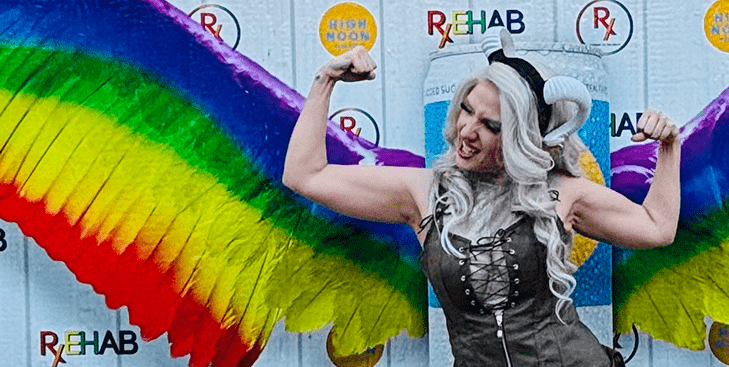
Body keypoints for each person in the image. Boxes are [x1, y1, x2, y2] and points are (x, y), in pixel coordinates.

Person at [283, 38, 683, 366]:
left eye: (490, 126)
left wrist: (669, 146)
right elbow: (305, 175)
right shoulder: (422, 193)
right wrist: (325, 81)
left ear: (521, 140)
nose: (466, 131)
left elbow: (657, 227)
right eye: (466, 110)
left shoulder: (561, 193)